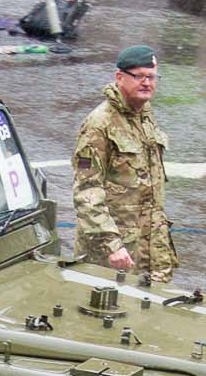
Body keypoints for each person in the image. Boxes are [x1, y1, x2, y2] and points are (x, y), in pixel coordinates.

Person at [71, 46, 176, 283]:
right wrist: (113, 245)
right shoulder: (99, 124)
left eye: (151, 77)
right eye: (138, 76)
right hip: (114, 255)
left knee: (152, 314)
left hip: (150, 247)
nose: (146, 83)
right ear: (120, 77)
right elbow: (87, 191)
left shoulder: (144, 114)